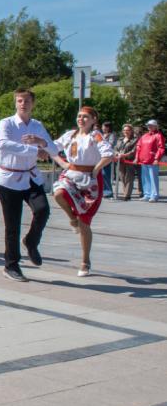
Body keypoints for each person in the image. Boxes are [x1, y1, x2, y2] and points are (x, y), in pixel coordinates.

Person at [0, 88, 58, 282]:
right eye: (20, 101)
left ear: (33, 103)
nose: (23, 104)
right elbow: (4, 144)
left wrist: (41, 142)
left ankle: (31, 241)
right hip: (9, 178)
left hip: (31, 177)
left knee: (43, 210)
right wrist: (33, 150)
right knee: (12, 225)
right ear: (15, 103)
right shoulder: (6, 123)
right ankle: (11, 265)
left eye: (27, 101)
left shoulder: (37, 125)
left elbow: (53, 149)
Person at [50, 106, 115, 277]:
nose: (81, 119)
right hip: (71, 174)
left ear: (94, 120)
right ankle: (72, 219)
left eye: (85, 117)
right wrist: (61, 162)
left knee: (85, 221)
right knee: (58, 193)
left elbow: (108, 154)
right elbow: (51, 147)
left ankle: (85, 261)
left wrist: (96, 169)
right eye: (79, 116)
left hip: (90, 180)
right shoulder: (70, 135)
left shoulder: (96, 136)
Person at [136, 119, 164, 202]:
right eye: (148, 125)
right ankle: (147, 194)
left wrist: (156, 158)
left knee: (153, 178)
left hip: (152, 161)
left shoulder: (158, 135)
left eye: (151, 125)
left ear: (156, 126)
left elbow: (161, 148)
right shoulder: (144, 136)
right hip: (143, 160)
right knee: (145, 178)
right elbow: (138, 146)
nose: (149, 127)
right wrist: (137, 157)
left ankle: (154, 195)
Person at [115, 124, 138, 201]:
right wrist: (117, 153)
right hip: (120, 161)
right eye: (124, 130)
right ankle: (125, 192)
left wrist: (124, 155)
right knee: (122, 178)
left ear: (131, 131)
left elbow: (134, 150)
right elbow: (115, 148)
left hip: (129, 161)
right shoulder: (120, 139)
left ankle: (127, 195)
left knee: (128, 178)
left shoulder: (135, 139)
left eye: (127, 130)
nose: (126, 132)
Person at [100, 122, 117, 198]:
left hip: (107, 156)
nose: (103, 128)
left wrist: (102, 143)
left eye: (104, 127)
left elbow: (111, 144)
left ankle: (109, 192)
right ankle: (103, 190)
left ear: (108, 127)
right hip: (100, 156)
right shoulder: (102, 135)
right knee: (101, 174)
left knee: (106, 174)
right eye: (102, 127)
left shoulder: (112, 135)